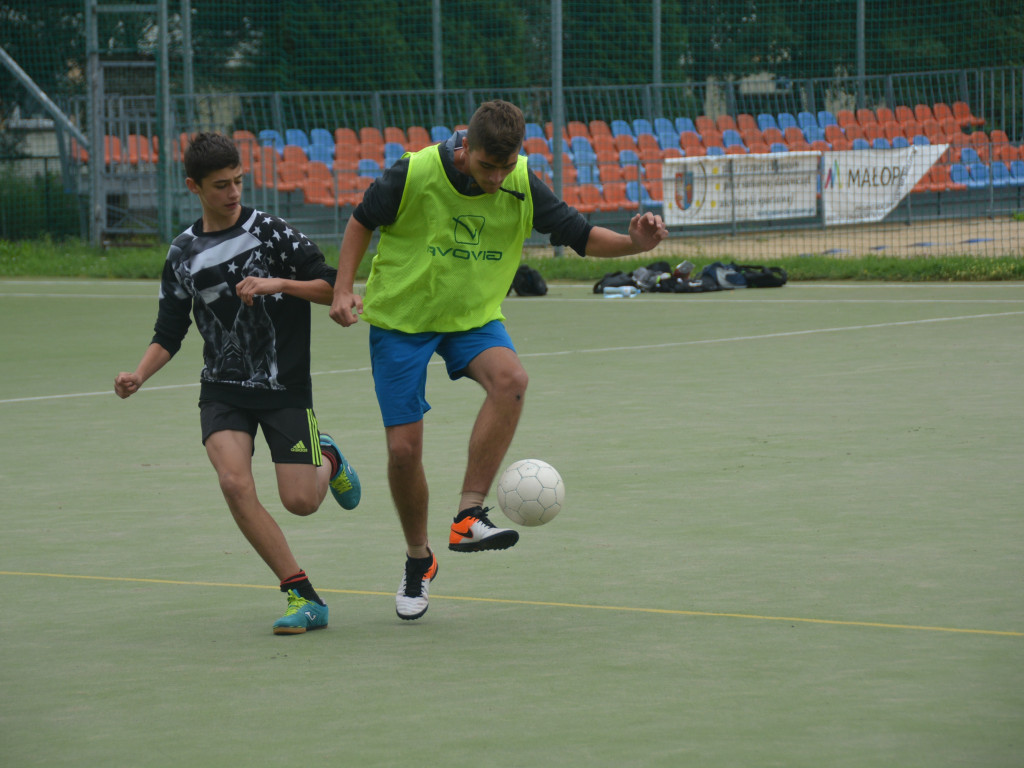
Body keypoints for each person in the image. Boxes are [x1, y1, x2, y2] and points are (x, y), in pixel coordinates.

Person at [329, 100, 668, 621]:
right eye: (487, 166)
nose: (496, 178)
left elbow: (579, 235)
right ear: (464, 149)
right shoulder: (415, 172)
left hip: (471, 316)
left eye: (505, 167)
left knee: (512, 379)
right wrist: (343, 289)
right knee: (402, 451)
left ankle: (468, 515)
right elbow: (361, 221)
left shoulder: (521, 181)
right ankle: (418, 561)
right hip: (401, 317)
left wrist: (633, 243)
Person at [114, 131, 361, 635]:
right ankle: (302, 595)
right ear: (194, 187)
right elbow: (170, 330)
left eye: (239, 182)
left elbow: (332, 285)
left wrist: (277, 283)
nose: (233, 193)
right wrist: (139, 373)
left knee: (301, 502)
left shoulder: (271, 233)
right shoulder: (182, 253)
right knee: (233, 482)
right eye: (221, 185)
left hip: (283, 387)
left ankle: (328, 456)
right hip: (223, 388)